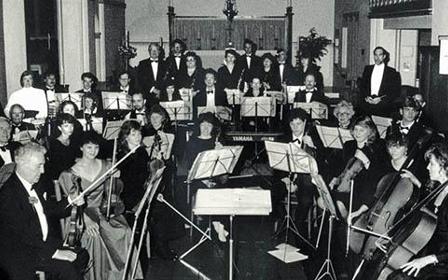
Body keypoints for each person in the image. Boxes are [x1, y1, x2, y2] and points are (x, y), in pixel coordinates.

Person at [58, 131, 142, 280]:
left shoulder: (106, 165)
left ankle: (125, 276)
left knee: (124, 231)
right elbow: (73, 205)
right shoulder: (70, 174)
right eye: (89, 147)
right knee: (94, 236)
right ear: (81, 148)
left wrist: (116, 177)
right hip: (80, 215)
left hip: (104, 209)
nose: (93, 151)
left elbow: (115, 189)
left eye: (96, 147)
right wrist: (87, 220)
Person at [0, 142, 88, 280]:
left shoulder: (35, 183)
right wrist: (55, 252)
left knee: (81, 254)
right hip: (21, 251)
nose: (43, 171)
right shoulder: (8, 194)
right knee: (66, 268)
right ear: (23, 164)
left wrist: (71, 200)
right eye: (38, 166)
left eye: (43, 165)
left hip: (40, 243)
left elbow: (48, 210)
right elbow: (23, 235)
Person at [117, 120, 178, 260]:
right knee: (156, 210)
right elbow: (130, 182)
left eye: (139, 133)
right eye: (133, 134)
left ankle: (159, 244)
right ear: (126, 136)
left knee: (165, 202)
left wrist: (155, 163)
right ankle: (161, 248)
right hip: (130, 195)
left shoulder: (140, 151)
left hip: (143, 190)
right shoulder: (122, 155)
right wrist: (149, 193)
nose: (138, 136)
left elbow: (146, 174)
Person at [387, 143, 448, 280]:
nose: (427, 167)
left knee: (396, 278)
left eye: (431, 164)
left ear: (445, 167)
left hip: (441, 263)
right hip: (427, 252)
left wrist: (427, 260)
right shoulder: (438, 190)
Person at [330, 116, 388, 220]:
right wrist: (335, 178)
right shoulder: (349, 145)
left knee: (338, 205)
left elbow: (378, 174)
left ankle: (347, 224)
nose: (357, 133)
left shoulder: (377, 147)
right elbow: (341, 168)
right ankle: (344, 223)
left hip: (362, 191)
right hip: (344, 186)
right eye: (355, 129)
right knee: (322, 201)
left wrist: (366, 161)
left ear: (370, 132)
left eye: (362, 130)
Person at [359, 46, 401, 117]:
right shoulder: (367, 69)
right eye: (375, 55)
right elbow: (362, 86)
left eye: (380, 55)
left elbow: (395, 91)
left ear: (384, 56)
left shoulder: (392, 72)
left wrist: (381, 99)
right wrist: (366, 97)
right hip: (367, 104)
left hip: (383, 106)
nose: (377, 58)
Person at [46, 113, 81, 180]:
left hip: (73, 172)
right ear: (59, 128)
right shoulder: (55, 144)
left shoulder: (74, 140)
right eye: (66, 126)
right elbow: (57, 167)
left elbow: (77, 157)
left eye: (72, 126)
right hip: (61, 176)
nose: (70, 128)